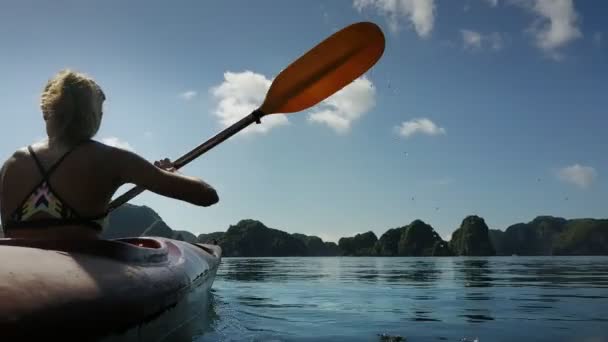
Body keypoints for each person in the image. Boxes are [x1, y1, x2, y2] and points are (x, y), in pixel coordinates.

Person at [0, 69, 219, 239]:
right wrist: (172, 174)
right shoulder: (112, 159)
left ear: (46, 112)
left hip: (17, 275)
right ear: (95, 116)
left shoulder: (12, 163)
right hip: (79, 278)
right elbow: (207, 195)